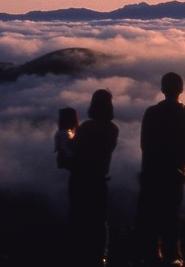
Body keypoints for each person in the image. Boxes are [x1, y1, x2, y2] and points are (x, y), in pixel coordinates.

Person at [135, 73, 185, 267]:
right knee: (171, 216)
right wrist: (181, 165)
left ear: (162, 89)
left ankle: (152, 256)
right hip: (175, 174)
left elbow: (144, 144)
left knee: (151, 216)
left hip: (152, 172)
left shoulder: (151, 112)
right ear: (181, 90)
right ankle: (173, 258)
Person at [69, 89, 119, 267]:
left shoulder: (86, 127)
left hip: (80, 181)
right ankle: (101, 258)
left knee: (80, 221)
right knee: (99, 222)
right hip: (99, 181)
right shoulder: (113, 129)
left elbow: (74, 152)